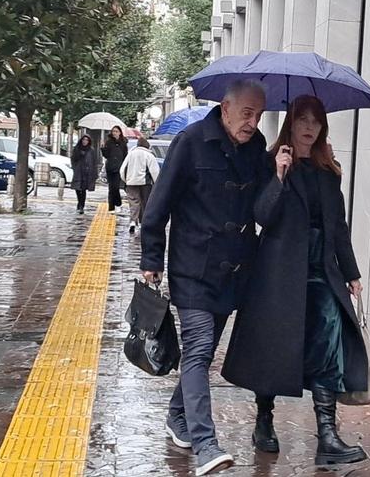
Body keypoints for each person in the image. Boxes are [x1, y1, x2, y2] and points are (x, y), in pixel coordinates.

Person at [222, 95, 368, 467]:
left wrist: (351, 272)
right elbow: (262, 216)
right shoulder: (271, 161)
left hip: (321, 270)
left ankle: (327, 435)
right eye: (302, 119)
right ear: (291, 123)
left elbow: (338, 227)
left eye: (316, 121)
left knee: (328, 342)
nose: (309, 127)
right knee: (273, 345)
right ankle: (264, 420)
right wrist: (279, 176)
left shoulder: (328, 170)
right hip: (278, 271)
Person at [140, 79, 269, 476]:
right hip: (192, 268)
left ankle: (176, 416)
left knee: (205, 350)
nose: (252, 123)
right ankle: (205, 444)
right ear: (225, 108)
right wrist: (151, 259)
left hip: (234, 272)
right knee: (198, 348)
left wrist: (281, 171)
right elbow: (157, 206)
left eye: (258, 115)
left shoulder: (258, 147)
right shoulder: (191, 142)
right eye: (246, 113)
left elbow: (264, 207)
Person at [119, 136, 160, 236]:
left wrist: (126, 180)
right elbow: (155, 171)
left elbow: (122, 169)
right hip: (145, 184)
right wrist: (157, 184)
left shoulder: (131, 154)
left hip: (131, 182)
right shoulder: (149, 155)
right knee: (145, 203)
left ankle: (133, 221)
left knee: (134, 202)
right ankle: (143, 223)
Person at [100, 126, 129, 213]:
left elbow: (125, 156)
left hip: (119, 168)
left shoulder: (123, 143)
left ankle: (118, 203)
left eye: (116, 131)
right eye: (113, 131)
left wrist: (125, 167)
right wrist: (102, 148)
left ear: (120, 133)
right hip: (110, 167)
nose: (114, 133)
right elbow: (106, 155)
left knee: (116, 187)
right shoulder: (109, 142)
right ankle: (111, 207)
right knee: (111, 188)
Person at [69, 135, 99, 214]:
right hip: (78, 172)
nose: (85, 141)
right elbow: (73, 159)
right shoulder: (77, 149)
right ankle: (79, 202)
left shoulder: (91, 150)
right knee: (77, 189)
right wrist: (75, 167)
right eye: (83, 140)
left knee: (83, 189)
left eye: (87, 140)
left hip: (87, 172)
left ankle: (81, 206)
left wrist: (94, 173)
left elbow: (94, 162)